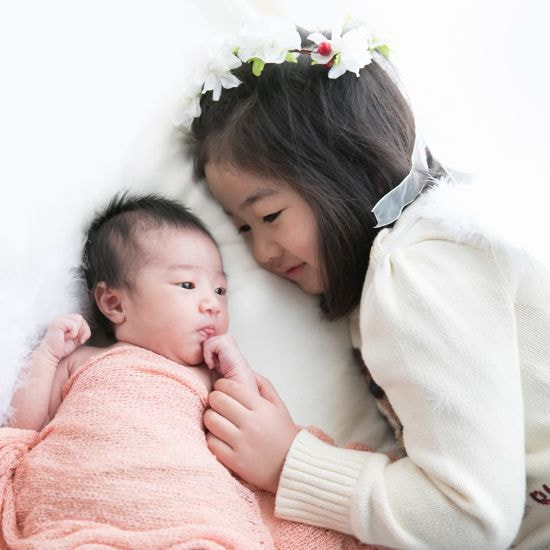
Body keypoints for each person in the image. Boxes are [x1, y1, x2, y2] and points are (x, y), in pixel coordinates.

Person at [186, 18, 550, 550]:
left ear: (349, 170)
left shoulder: (417, 273)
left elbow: (471, 520)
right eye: (242, 228)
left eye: (269, 216)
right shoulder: (439, 248)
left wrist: (289, 463)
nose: (261, 253)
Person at [1, 193, 374, 549]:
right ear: (114, 303)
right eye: (187, 285)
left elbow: (250, 431)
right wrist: (47, 355)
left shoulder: (211, 377)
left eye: (220, 290)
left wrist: (237, 369)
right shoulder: (83, 360)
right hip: (84, 502)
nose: (212, 303)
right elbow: (23, 427)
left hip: (188, 512)